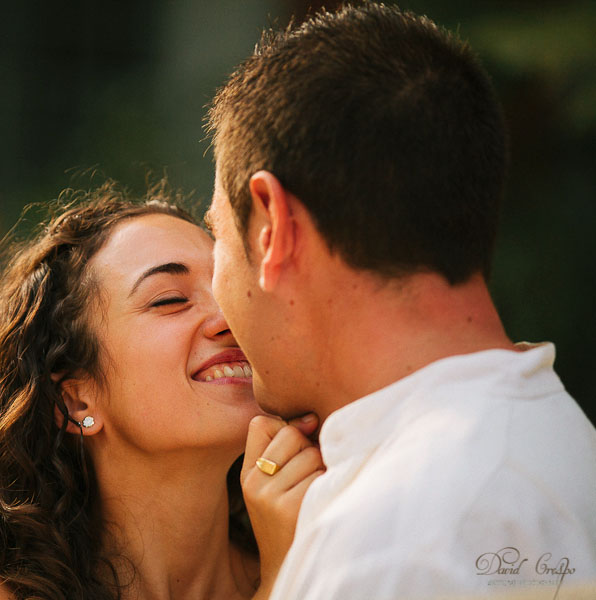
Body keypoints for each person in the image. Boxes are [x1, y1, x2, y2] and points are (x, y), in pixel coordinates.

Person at [206, 3, 596, 599]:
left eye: (217, 236)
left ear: (272, 227)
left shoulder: (394, 545)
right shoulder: (560, 443)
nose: (212, 297)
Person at [0, 183, 324, 600]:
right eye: (169, 299)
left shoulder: (329, 556)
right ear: (74, 402)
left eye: (230, 289)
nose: (231, 319)